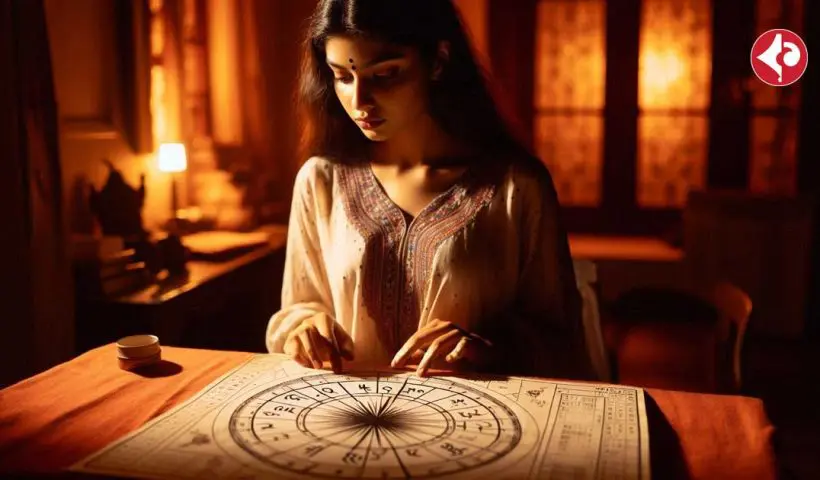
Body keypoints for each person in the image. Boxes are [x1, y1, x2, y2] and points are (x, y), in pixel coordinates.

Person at [266, 0, 601, 381]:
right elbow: (299, 307)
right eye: (342, 77)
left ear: (438, 60)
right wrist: (304, 329)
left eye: (385, 74)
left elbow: (561, 337)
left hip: (478, 414)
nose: (359, 101)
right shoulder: (320, 182)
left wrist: (486, 346)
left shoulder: (515, 187)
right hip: (349, 411)